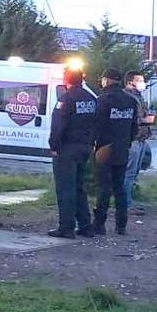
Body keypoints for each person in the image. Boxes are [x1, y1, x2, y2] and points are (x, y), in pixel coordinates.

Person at [47, 68, 98, 238]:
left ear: (66, 79)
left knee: (65, 189)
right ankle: (85, 225)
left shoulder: (66, 98)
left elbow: (58, 125)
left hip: (67, 149)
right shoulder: (90, 98)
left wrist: (53, 146)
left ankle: (66, 228)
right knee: (79, 187)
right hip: (85, 147)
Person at [92, 68, 139, 236]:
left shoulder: (103, 100)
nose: (101, 82)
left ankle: (99, 225)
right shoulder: (131, 101)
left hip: (104, 148)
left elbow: (95, 125)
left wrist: (94, 144)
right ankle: (121, 225)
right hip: (122, 149)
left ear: (107, 80)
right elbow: (135, 127)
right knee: (119, 188)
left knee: (104, 187)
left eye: (103, 80)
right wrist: (126, 142)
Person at [123, 70, 152, 212]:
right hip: (133, 139)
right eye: (139, 80)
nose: (142, 83)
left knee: (134, 173)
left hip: (141, 138)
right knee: (129, 173)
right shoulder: (127, 97)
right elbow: (130, 118)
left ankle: (128, 201)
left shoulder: (138, 97)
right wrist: (144, 120)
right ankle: (125, 204)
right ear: (130, 82)